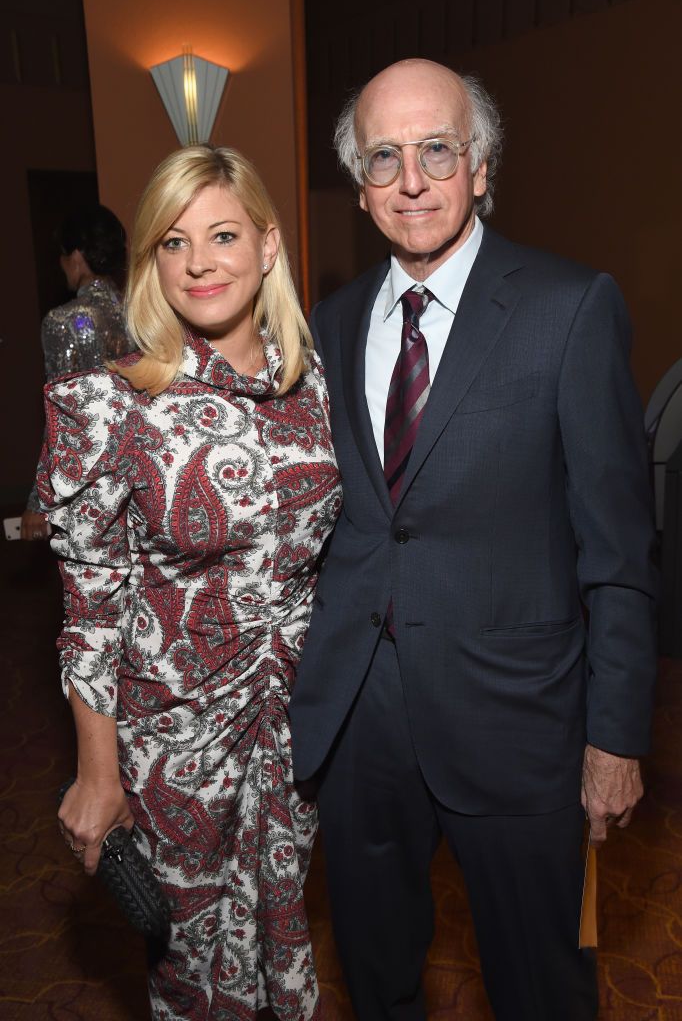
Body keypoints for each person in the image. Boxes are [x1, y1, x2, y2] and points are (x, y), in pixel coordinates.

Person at [288, 59, 658, 1021]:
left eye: (437, 151)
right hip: (361, 728)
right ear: (361, 188)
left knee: (544, 986)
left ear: (481, 166)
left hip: (520, 728)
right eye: (384, 157)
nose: (413, 180)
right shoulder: (326, 328)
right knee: (376, 981)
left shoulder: (571, 309)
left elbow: (620, 551)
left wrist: (614, 736)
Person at [37, 145, 341, 1020]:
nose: (199, 261)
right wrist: (99, 774)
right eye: (173, 242)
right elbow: (90, 606)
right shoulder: (112, 403)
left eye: (222, 235)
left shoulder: (313, 382)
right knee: (194, 972)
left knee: (286, 936)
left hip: (294, 732)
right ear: (148, 263)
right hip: (175, 745)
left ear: (269, 246)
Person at [22, 203, 132, 541]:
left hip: (89, 482)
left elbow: (62, 419)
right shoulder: (141, 315)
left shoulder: (64, 322)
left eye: (62, 253)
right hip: (141, 474)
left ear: (77, 256)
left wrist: (38, 502)